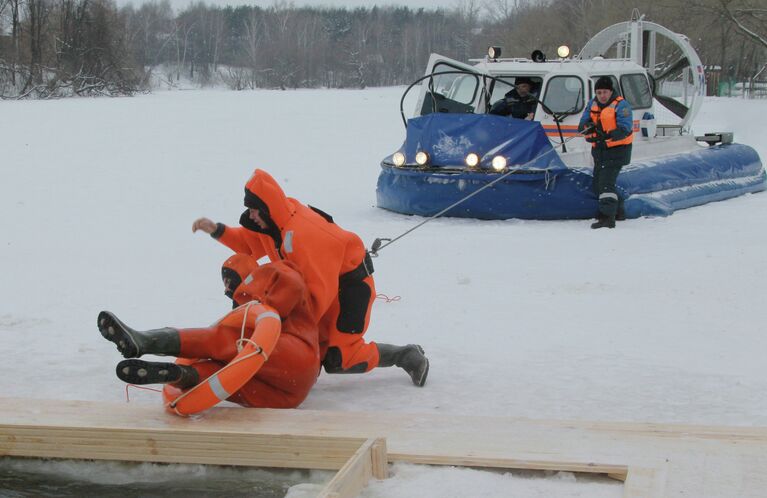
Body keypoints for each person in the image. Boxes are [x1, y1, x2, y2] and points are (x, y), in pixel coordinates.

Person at [191, 169, 429, 386]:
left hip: (349, 287)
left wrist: (290, 331)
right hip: (320, 285)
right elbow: (247, 243)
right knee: (308, 344)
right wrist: (216, 230)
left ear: (266, 209)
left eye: (254, 210)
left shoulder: (304, 235)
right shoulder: (272, 225)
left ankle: (405, 355)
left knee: (339, 358)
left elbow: (318, 294)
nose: (251, 216)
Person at [99, 256, 320, 408]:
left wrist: (273, 308)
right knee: (224, 376)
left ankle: (144, 340)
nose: (225, 288)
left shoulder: (274, 273)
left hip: (296, 354)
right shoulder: (251, 311)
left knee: (220, 340)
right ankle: (179, 376)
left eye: (228, 281)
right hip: (289, 395)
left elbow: (292, 282)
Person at [578, 76, 634, 229]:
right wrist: (588, 126)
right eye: (599, 92)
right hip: (600, 151)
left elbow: (625, 128)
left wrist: (608, 135)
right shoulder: (592, 104)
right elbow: (582, 124)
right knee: (598, 184)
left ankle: (607, 217)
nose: (602, 95)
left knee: (605, 184)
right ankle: (618, 210)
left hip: (617, 151)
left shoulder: (621, 106)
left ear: (611, 92)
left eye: (605, 92)